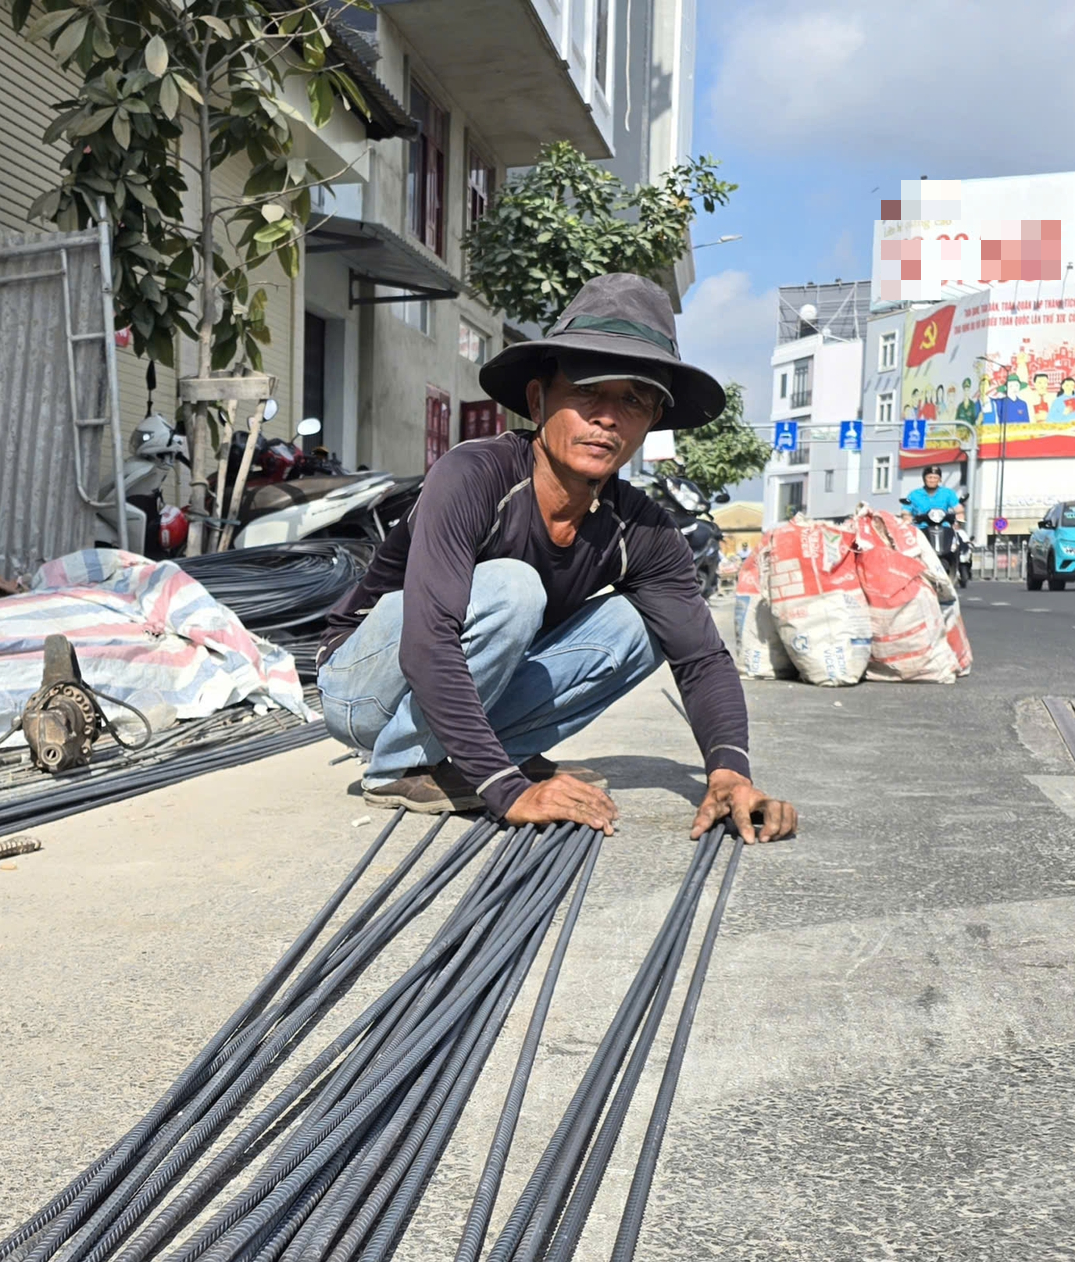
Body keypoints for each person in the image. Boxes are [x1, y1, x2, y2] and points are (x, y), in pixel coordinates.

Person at [314, 272, 796, 844]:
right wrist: (505, 788)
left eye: (634, 401)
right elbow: (429, 638)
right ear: (539, 400)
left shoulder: (639, 527)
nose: (608, 418)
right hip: (366, 688)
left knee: (648, 622)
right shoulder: (473, 474)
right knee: (513, 587)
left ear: (650, 424)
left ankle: (466, 754)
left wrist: (729, 771)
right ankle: (402, 767)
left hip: (461, 694)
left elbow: (701, 658)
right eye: (588, 391)